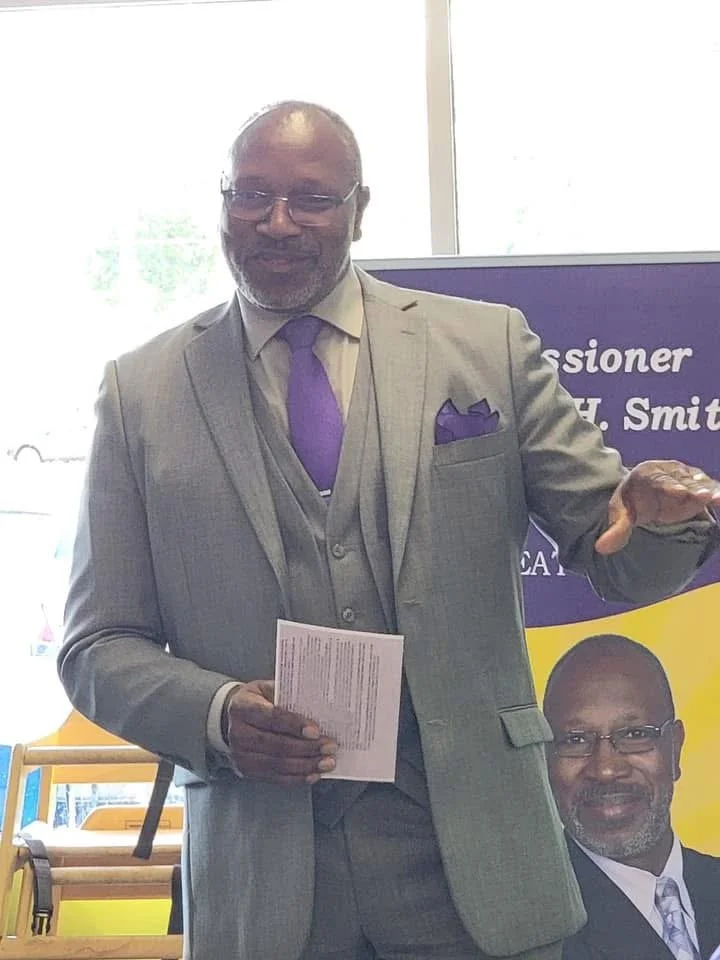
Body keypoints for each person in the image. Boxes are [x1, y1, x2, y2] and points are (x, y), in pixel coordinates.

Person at [58, 100, 720, 960]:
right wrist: (216, 714)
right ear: (221, 203)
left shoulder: (484, 347)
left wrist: (664, 526)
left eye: (313, 199)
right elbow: (95, 644)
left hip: (478, 864)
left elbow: (612, 551)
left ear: (360, 209)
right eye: (251, 195)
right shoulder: (140, 393)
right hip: (267, 877)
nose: (278, 222)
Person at [544, 634, 720, 960]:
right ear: (545, 759)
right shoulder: (529, 928)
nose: (606, 769)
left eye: (635, 735)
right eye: (576, 740)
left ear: (675, 748)